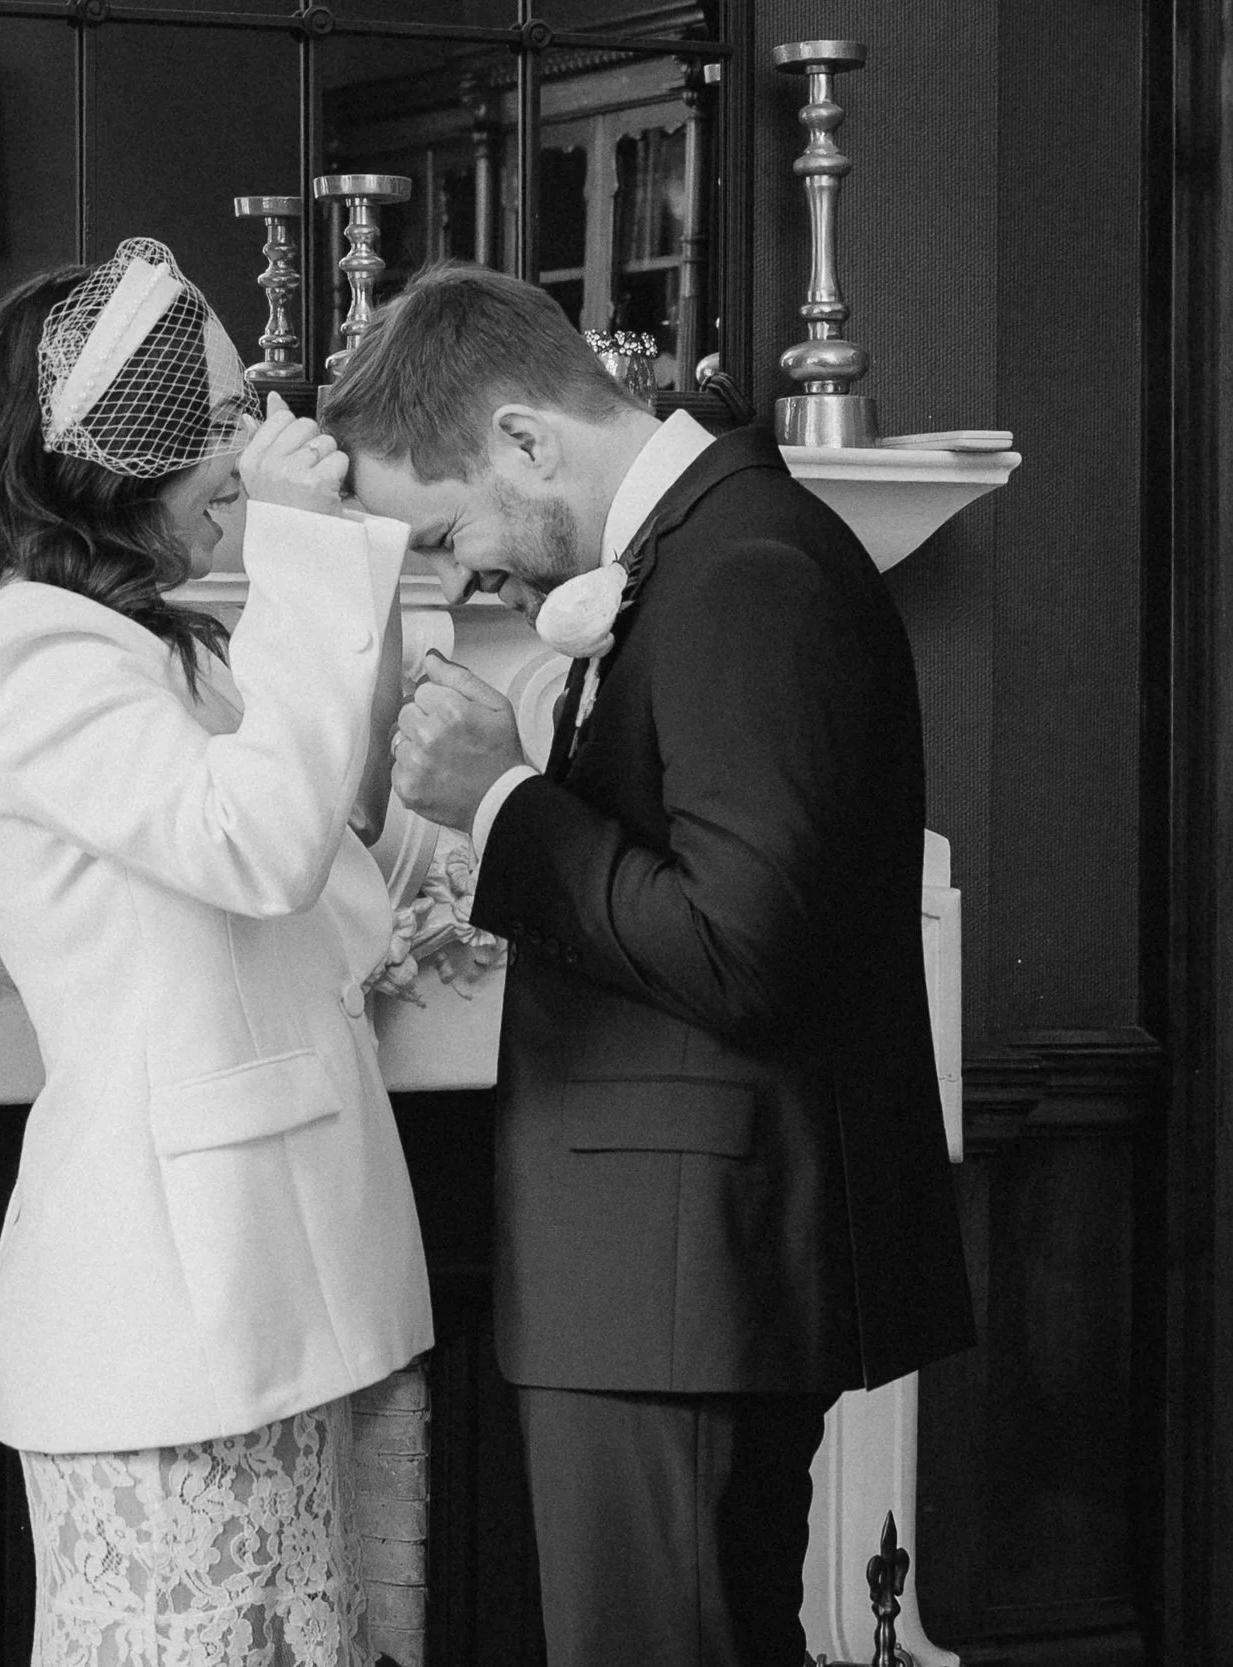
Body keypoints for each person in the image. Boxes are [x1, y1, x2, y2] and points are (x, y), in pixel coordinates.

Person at [329, 263, 974, 1667]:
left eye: (444, 532)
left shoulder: (748, 572)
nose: (461, 577)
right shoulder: (707, 555)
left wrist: (505, 800)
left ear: (524, 442)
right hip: (661, 1279)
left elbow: (748, 948)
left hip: (685, 1286)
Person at [0, 238, 431, 1667]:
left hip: (290, 1280)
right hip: (177, 1312)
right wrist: (308, 561)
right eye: (226, 420)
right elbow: (256, 845)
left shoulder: (147, 647)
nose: (250, 455)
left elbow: (326, 901)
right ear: (126, 455)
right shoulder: (21, 652)